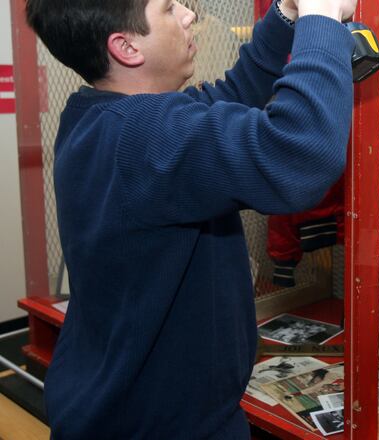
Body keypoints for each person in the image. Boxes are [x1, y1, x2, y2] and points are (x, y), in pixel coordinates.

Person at [24, 0, 356, 437]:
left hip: (109, 405)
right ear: (126, 47)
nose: (188, 14)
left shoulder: (96, 115)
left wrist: (285, 17)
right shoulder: (144, 135)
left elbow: (224, 101)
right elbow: (299, 156)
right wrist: (321, 19)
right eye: (167, 9)